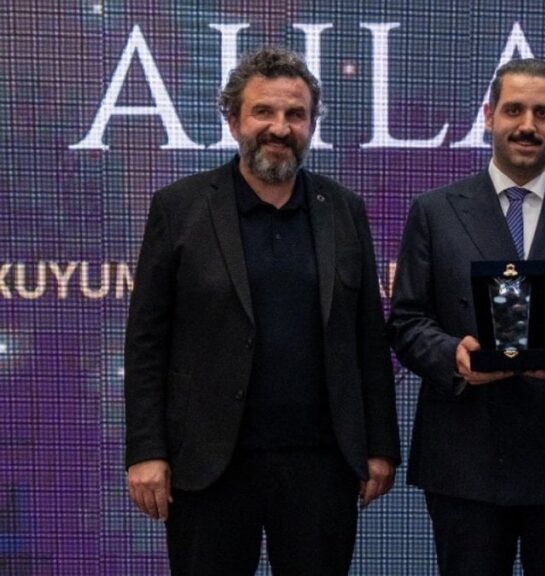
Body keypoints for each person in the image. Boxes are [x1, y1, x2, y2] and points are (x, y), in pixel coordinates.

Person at [123, 46, 399, 575]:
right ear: (233, 121)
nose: (280, 127)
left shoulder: (344, 210)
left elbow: (368, 336)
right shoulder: (179, 208)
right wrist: (145, 451)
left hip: (321, 466)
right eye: (263, 112)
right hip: (208, 466)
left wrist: (380, 445)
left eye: (296, 114)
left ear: (311, 124)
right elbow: (146, 343)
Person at [387, 58, 545, 576]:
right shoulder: (435, 212)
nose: (527, 125)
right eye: (514, 110)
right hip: (466, 462)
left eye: (542, 113)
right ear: (489, 116)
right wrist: (453, 356)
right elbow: (406, 321)